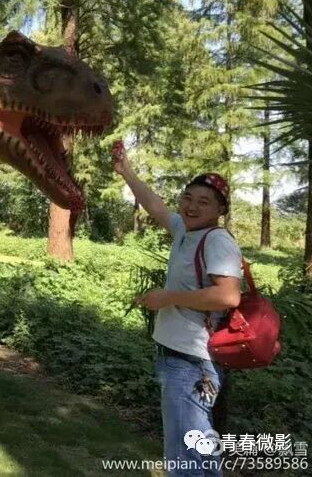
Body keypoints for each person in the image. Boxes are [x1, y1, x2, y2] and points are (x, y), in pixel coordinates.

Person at [113, 143, 243, 477]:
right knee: (197, 452)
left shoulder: (217, 240)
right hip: (180, 356)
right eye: (188, 197)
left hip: (193, 362)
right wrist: (126, 171)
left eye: (204, 202)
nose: (192, 206)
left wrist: (168, 297)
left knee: (185, 457)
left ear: (220, 209)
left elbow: (228, 296)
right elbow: (155, 206)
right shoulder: (187, 231)